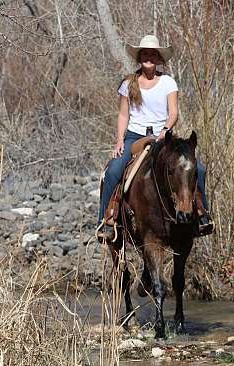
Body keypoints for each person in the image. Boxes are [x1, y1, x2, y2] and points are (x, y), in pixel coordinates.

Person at [97, 35, 212, 241]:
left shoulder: (168, 82)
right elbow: (123, 114)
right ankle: (106, 220)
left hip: (164, 137)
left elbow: (174, 112)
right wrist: (120, 141)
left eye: (152, 54)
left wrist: (165, 129)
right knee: (113, 171)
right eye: (144, 54)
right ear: (139, 57)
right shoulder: (128, 83)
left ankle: (201, 215)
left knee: (198, 169)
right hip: (135, 136)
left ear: (158, 58)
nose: (148, 57)